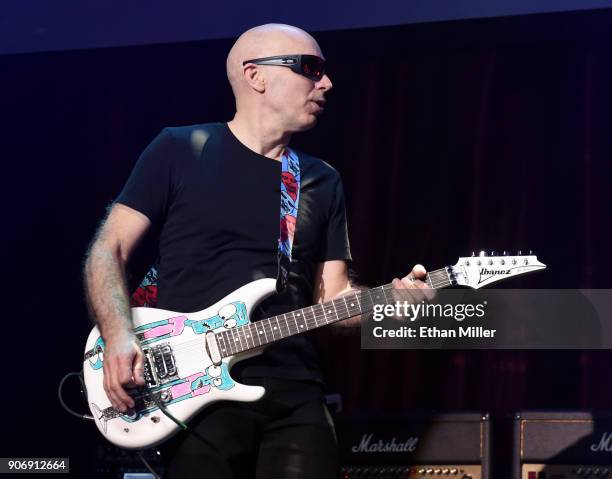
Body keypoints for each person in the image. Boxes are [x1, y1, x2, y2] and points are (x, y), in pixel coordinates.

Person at [83, 23, 430, 479]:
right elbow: (108, 250)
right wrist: (119, 336)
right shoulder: (180, 149)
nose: (326, 83)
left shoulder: (320, 180)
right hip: (194, 392)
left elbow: (332, 298)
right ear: (255, 76)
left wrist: (388, 303)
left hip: (295, 389)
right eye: (311, 68)